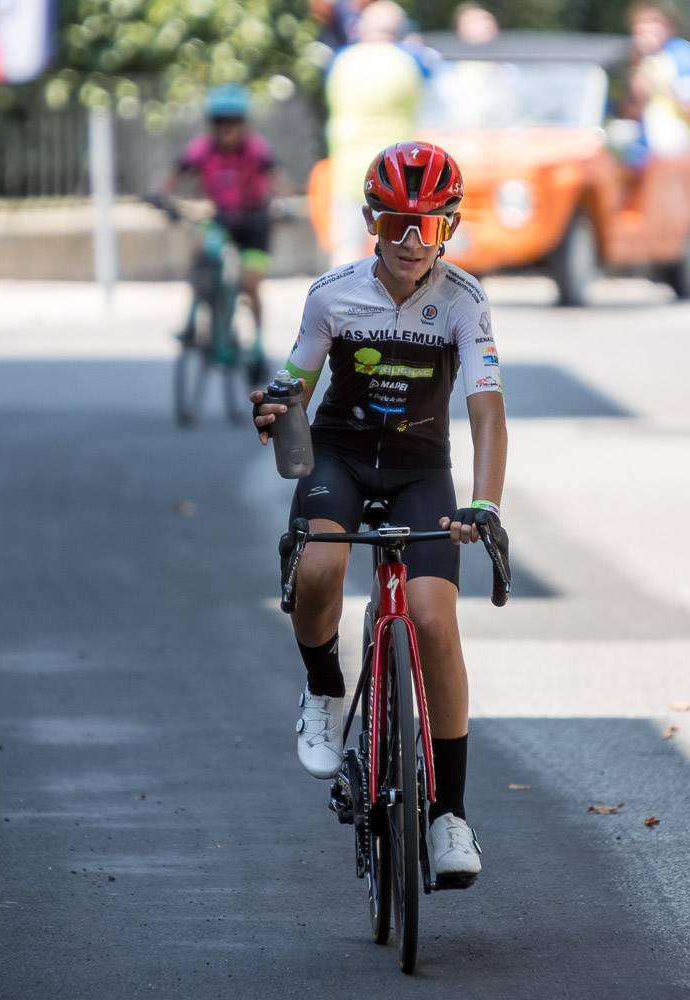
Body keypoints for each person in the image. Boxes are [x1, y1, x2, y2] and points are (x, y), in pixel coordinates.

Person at [250, 141, 508, 887]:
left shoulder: (463, 299)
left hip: (421, 471)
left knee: (433, 618)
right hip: (341, 458)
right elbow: (294, 379)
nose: (410, 241)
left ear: (449, 228)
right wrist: (274, 405)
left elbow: (487, 413)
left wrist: (483, 505)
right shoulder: (333, 295)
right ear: (372, 219)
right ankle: (326, 686)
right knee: (323, 562)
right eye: (397, 222)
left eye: (429, 226)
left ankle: (448, 816)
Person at [153, 83, 287, 383]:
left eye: (234, 121)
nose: (227, 128)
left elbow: (279, 178)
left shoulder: (255, 148)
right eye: (220, 121)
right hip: (221, 220)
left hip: (254, 224)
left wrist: (285, 204)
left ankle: (257, 347)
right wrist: (160, 195)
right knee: (200, 249)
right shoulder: (202, 147)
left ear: (245, 123)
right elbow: (174, 173)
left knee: (250, 284)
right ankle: (192, 320)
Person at [324, 1, 424, 265]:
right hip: (396, 171)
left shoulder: (342, 60)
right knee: (401, 247)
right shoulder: (410, 60)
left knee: (347, 245)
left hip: (349, 169)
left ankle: (338, 303)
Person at [623, 2, 690, 164]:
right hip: (646, 157)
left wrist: (665, 84)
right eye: (643, 22)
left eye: (655, 22)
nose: (649, 29)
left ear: (669, 25)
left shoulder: (684, 57)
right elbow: (630, 114)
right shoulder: (643, 59)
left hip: (680, 159)